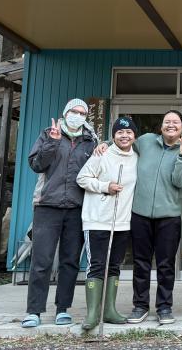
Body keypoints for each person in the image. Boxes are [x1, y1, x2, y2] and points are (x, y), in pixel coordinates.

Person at [95, 110, 182, 325]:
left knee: (166, 265)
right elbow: (123, 141)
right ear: (160, 127)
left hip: (169, 216)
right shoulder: (147, 141)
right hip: (139, 214)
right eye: (167, 121)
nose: (171, 125)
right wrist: (104, 143)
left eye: (175, 122)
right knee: (140, 263)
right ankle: (140, 306)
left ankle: (164, 307)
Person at [22, 98, 97, 328]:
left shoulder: (90, 140)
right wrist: (53, 143)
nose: (78, 115)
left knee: (70, 261)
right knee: (41, 261)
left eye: (82, 112)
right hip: (47, 206)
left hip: (76, 208)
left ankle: (62, 309)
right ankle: (34, 310)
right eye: (74, 111)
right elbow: (36, 164)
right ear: (65, 113)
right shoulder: (49, 133)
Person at [76, 117, 139, 331]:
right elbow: (82, 178)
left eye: (129, 132)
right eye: (120, 133)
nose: (124, 136)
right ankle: (93, 313)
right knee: (97, 265)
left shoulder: (136, 157)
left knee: (114, 266)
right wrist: (105, 186)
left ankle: (110, 310)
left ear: (134, 136)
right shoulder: (101, 153)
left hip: (122, 222)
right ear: (113, 136)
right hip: (97, 219)